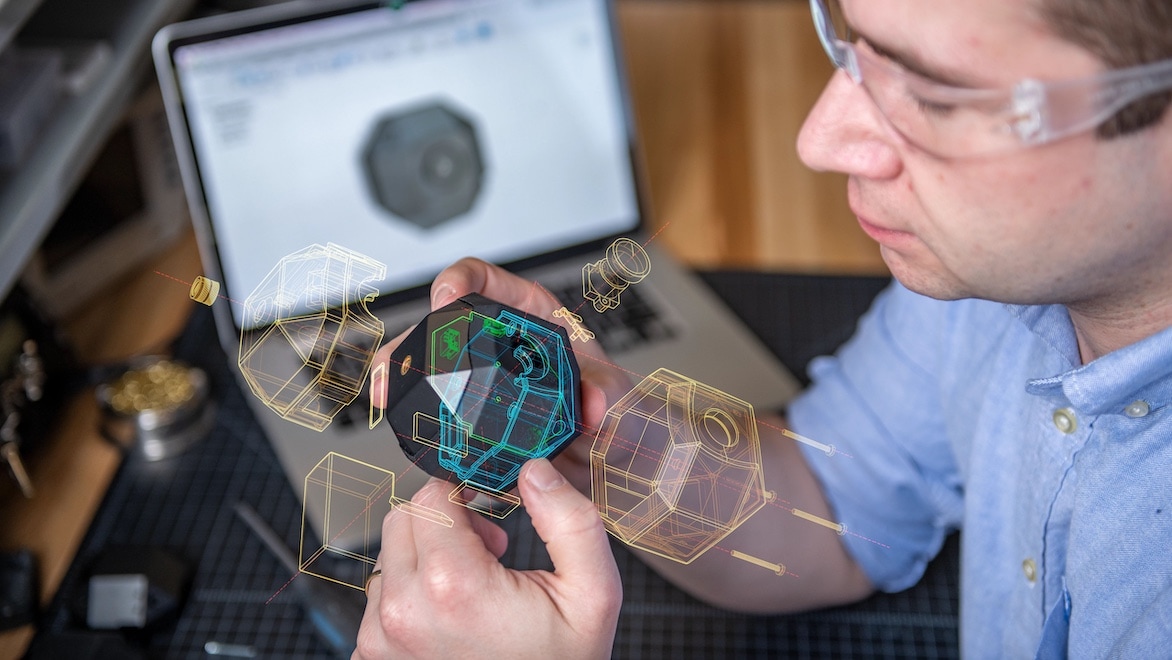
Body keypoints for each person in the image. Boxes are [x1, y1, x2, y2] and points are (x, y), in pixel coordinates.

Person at [354, 0, 1172, 656]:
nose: (819, 139)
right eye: (853, 44)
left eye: (934, 94)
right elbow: (835, 507)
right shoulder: (998, 287)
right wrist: (605, 435)